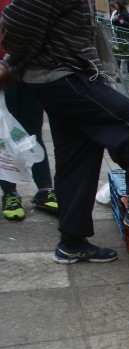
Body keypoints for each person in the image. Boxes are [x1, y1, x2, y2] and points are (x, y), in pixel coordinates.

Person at [0, 0, 129, 263]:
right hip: (63, 76)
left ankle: (72, 242)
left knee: (78, 154)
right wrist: (13, 64)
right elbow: (18, 22)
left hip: (56, 77)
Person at [0, 0, 57, 221]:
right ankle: (10, 193)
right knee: (5, 134)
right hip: (3, 72)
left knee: (33, 130)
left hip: (30, 68)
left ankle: (44, 189)